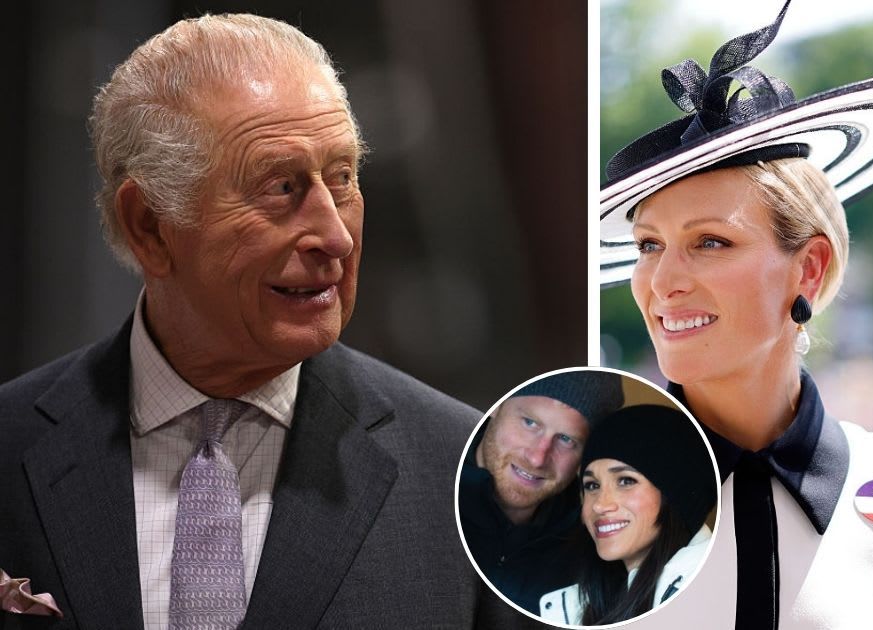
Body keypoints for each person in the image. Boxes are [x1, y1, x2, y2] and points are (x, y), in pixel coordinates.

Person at [0, 14, 536, 630]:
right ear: (149, 226)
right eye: (280, 188)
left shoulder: (474, 477)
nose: (335, 236)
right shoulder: (10, 445)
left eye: (342, 179)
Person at [597, 2, 873, 628]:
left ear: (810, 268)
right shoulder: (573, 499)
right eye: (648, 246)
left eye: (711, 242)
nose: (663, 282)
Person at [459, 370, 625, 615]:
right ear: (497, 405)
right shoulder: (423, 487)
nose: (538, 458)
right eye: (530, 423)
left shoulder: (596, 556)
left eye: (567, 439)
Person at [539, 404, 718, 625]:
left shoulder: (712, 595)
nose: (599, 505)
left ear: (676, 495)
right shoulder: (576, 607)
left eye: (626, 481)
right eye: (592, 485)